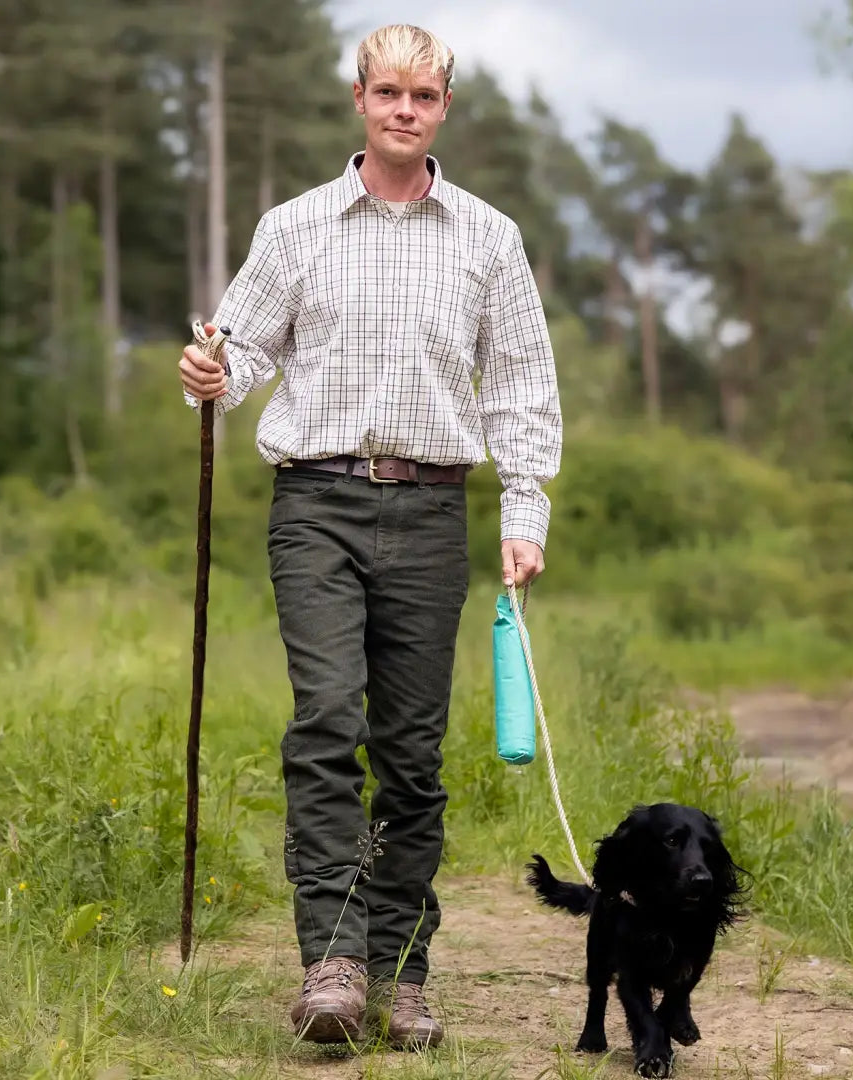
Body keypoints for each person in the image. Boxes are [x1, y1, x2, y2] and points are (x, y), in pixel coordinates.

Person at [178, 23, 561, 1049]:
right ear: (358, 99)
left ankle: (404, 971)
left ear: (444, 107)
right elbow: (239, 347)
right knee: (324, 718)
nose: (403, 109)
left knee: (411, 752)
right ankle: (335, 965)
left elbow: (523, 387)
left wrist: (523, 515)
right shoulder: (296, 226)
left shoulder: (488, 237)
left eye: (422, 95)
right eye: (385, 91)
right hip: (317, 503)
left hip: (434, 512)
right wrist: (212, 374)